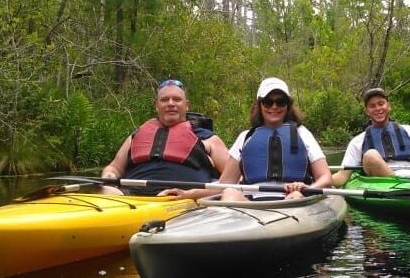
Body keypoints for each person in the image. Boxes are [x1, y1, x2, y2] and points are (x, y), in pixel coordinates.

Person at [161, 77, 331, 202]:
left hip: (292, 199)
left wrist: (306, 188)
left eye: (280, 102)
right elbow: (224, 183)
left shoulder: (302, 134)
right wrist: (187, 194)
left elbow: (325, 177)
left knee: (294, 197)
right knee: (228, 192)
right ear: (259, 104)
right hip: (251, 206)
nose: (274, 107)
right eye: (268, 102)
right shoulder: (246, 137)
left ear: (288, 105)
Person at [101, 79, 229, 194]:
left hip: (181, 197)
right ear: (157, 106)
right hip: (131, 195)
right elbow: (115, 167)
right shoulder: (135, 136)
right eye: (164, 100)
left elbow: (234, 178)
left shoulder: (208, 139)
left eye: (177, 99)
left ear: (187, 105)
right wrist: (109, 175)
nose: (171, 103)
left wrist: (198, 193)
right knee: (104, 191)